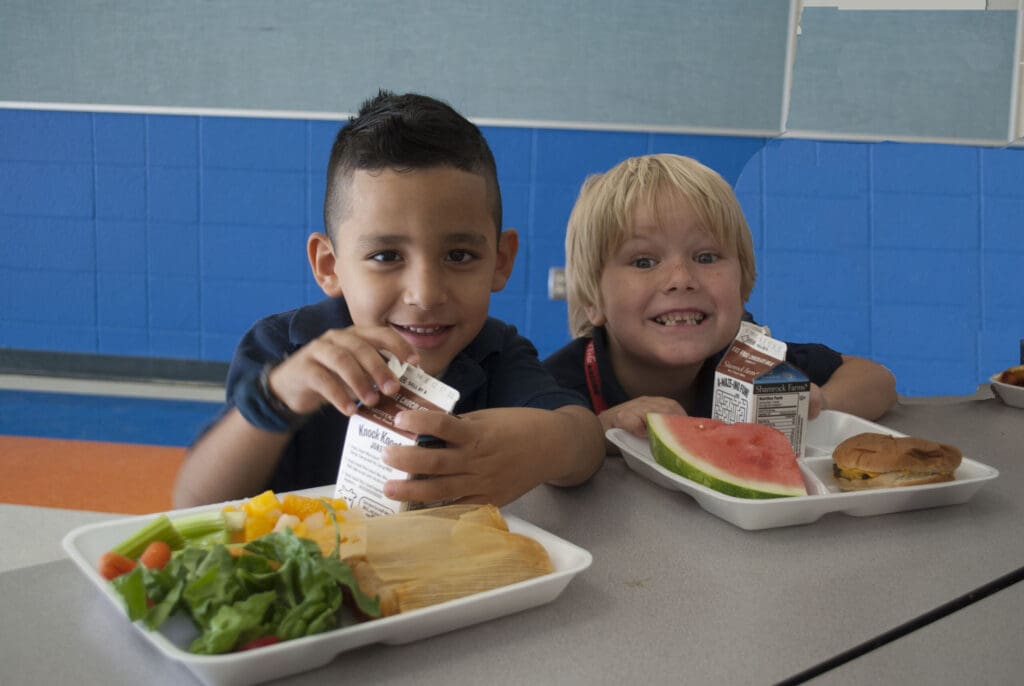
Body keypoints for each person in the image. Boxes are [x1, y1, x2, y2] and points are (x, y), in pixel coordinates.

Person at [174, 91, 604, 508]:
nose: (425, 294)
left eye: (458, 255)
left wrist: (545, 445)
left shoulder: (495, 352)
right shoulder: (283, 347)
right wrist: (278, 399)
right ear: (328, 265)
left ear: (500, 261)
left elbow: (584, 440)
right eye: (385, 256)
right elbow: (193, 502)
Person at [543, 153, 897, 444]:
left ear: (743, 286)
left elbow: (876, 379)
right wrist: (600, 428)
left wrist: (819, 404)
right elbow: (534, 444)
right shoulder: (553, 385)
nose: (681, 279)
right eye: (644, 261)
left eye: (706, 257)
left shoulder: (750, 360)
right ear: (593, 301)